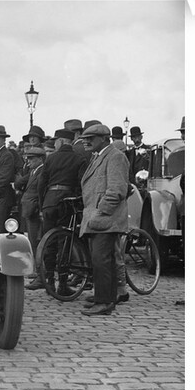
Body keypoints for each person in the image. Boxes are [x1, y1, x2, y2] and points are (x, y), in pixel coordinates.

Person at [78, 124, 129, 316]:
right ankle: (105, 297)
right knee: (101, 261)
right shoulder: (99, 156)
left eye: (90, 138)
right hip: (98, 219)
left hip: (105, 220)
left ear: (104, 138)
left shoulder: (115, 156)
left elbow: (116, 190)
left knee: (102, 261)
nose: (85, 141)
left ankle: (105, 302)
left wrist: (100, 212)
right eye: (84, 138)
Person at [32, 128, 88, 292]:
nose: (54, 143)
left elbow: (41, 183)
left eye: (56, 140)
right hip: (67, 203)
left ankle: (49, 280)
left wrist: (43, 204)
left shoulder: (51, 159)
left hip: (49, 202)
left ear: (62, 141)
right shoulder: (79, 159)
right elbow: (81, 184)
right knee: (66, 242)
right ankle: (62, 283)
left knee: (49, 241)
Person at [15, 146, 46, 284]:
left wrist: (40, 210)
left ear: (40, 159)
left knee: (37, 242)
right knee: (32, 242)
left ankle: (41, 274)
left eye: (32, 159)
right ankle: (37, 271)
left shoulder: (41, 172)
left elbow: (41, 192)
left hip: (34, 211)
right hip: (29, 210)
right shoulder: (34, 171)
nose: (29, 162)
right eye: (28, 159)